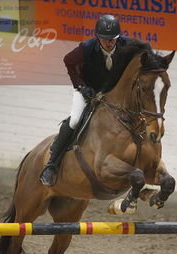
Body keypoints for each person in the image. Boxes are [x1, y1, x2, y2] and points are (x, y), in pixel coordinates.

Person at [39, 14, 132, 186]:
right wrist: (81, 86)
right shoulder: (87, 48)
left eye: (113, 39)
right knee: (75, 120)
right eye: (105, 39)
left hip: (111, 92)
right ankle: (51, 165)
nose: (110, 43)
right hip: (87, 90)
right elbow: (68, 61)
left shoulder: (127, 46)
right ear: (98, 37)